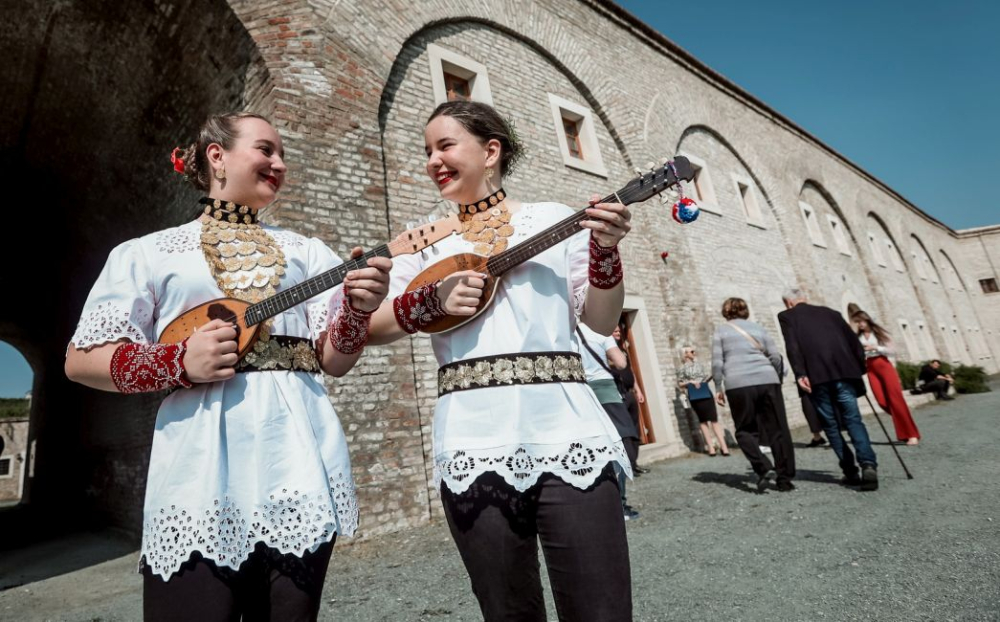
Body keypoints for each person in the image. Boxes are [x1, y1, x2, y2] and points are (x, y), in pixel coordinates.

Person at [64, 112, 393, 620]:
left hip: (297, 461)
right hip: (198, 472)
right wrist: (177, 361)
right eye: (266, 149)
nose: (279, 163)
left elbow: (334, 359)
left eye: (282, 154)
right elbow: (80, 361)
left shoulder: (307, 251)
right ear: (217, 156)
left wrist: (358, 307)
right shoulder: (148, 253)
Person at [367, 101, 634, 621]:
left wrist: (605, 250)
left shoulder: (555, 220)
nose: (432, 161)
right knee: (507, 610)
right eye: (427, 151)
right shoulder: (423, 242)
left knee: (600, 607)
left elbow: (600, 321)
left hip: (567, 431)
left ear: (491, 151)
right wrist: (430, 302)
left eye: (445, 146)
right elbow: (373, 327)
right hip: (473, 439)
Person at [778, 289, 879, 491]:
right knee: (853, 420)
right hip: (844, 374)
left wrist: (800, 374)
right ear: (804, 298)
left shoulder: (787, 316)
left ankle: (850, 470)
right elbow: (855, 344)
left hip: (817, 377)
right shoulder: (832, 313)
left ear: (789, 302)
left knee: (830, 425)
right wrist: (858, 369)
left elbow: (793, 346)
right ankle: (868, 464)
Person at [711, 298, 795, 492]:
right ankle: (784, 480)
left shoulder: (721, 331)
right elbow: (774, 356)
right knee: (777, 430)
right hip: (767, 380)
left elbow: (717, 362)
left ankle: (763, 467)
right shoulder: (758, 328)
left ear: (725, 312)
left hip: (738, 384)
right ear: (745, 310)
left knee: (744, 429)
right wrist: (776, 377)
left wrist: (718, 387)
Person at [578, 322, 641, 521]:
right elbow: (621, 363)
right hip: (605, 389)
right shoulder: (600, 331)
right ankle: (619, 505)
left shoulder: (566, 330)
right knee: (619, 443)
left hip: (580, 390)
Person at [852, 309, 921, 444]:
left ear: (867, 320)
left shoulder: (878, 334)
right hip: (870, 368)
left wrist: (876, 348)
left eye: (861, 321)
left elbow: (892, 350)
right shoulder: (857, 337)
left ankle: (911, 434)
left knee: (896, 400)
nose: (860, 324)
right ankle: (902, 420)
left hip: (884, 365)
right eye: (857, 322)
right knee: (882, 401)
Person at [677, 345, 730, 457]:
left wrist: (708, 378)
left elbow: (706, 377)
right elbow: (680, 383)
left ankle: (723, 446)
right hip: (695, 396)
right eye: (691, 351)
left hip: (706, 393)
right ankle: (711, 447)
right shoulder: (682, 369)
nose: (694, 352)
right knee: (703, 421)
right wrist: (690, 382)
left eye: (694, 351)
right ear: (685, 354)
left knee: (714, 420)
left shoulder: (700, 365)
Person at [613, 322, 649, 474]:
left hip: (629, 393)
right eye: (614, 331)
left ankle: (635, 463)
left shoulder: (622, 350)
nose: (618, 333)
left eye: (618, 330)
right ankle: (629, 465)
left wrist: (638, 390)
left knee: (635, 429)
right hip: (617, 394)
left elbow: (630, 372)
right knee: (626, 430)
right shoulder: (605, 350)